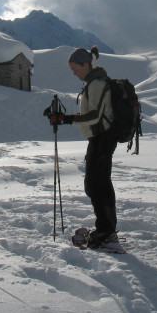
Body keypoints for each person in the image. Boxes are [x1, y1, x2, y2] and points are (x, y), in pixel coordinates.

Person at [54, 46, 119, 248]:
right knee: (100, 183)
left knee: (95, 184)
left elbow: (95, 116)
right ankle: (107, 228)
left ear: (86, 64)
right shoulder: (93, 82)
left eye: (75, 68)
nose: (74, 73)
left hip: (103, 138)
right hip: (100, 138)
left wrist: (66, 119)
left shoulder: (97, 83)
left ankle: (106, 231)